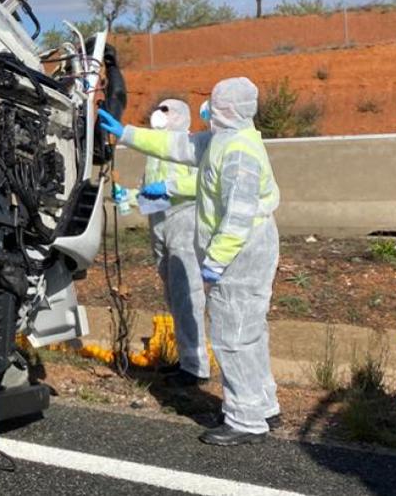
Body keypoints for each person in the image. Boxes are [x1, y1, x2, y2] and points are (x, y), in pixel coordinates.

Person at [99, 77, 281, 445]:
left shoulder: (239, 153)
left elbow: (238, 215)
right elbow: (178, 145)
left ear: (229, 108)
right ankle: (262, 405)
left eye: (215, 103)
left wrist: (215, 260)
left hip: (243, 251)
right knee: (248, 331)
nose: (209, 109)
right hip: (240, 249)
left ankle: (246, 419)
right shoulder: (222, 141)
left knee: (234, 336)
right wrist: (128, 133)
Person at [137, 99, 209, 387]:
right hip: (159, 221)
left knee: (187, 292)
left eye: (166, 111)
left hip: (184, 219)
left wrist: (169, 188)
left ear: (180, 116)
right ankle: (186, 359)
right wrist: (133, 196)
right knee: (172, 292)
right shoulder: (155, 148)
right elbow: (150, 185)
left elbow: (203, 181)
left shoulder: (191, 145)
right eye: (159, 109)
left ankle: (196, 367)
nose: (159, 114)